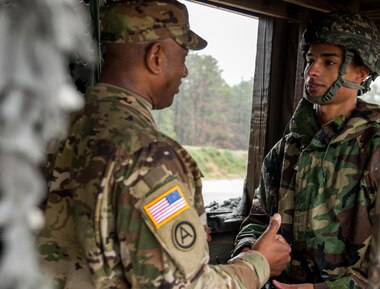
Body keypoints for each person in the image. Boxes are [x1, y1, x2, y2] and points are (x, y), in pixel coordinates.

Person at [36, 1, 292, 288]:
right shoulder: (148, 154)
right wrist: (259, 263)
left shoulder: (54, 128)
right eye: (183, 57)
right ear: (156, 56)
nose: (185, 72)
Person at [231, 12, 380, 289]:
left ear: (361, 72)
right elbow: (257, 219)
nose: (312, 70)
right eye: (310, 60)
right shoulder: (288, 147)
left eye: (329, 62)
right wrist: (248, 256)